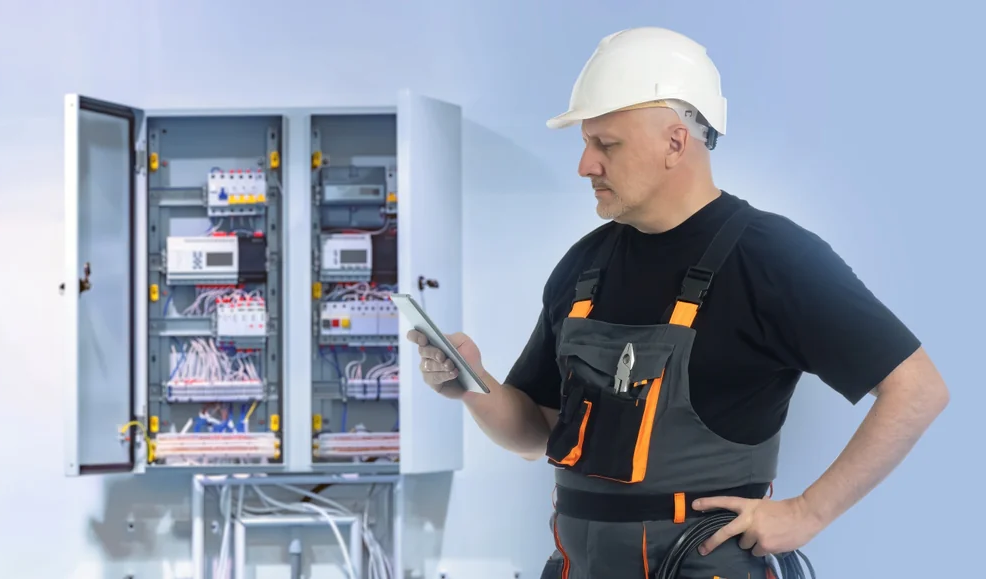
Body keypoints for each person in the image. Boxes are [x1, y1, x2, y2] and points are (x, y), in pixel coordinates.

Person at [405, 26, 950, 578]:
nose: (585, 165)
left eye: (606, 144)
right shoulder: (583, 266)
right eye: (585, 142)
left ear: (675, 142)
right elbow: (536, 434)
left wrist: (807, 513)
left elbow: (917, 388)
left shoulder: (773, 259)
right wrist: (472, 384)